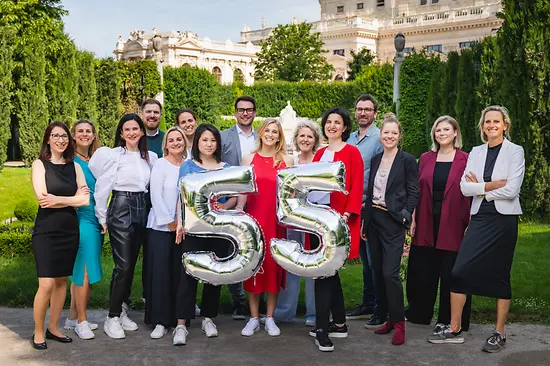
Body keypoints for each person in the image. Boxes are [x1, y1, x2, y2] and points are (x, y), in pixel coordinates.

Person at [428, 106, 525, 353]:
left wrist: (480, 187)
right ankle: (454, 328)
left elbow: (512, 190)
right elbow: (464, 188)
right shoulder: (476, 152)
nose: (491, 125)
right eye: (487, 122)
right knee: (459, 270)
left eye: (496, 121)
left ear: (505, 125)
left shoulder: (516, 151)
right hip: (479, 218)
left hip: (504, 220)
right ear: (482, 127)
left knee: (500, 273)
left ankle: (499, 333)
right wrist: (492, 186)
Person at [89, 113, 158, 340]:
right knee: (124, 265)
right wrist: (102, 217)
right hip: (121, 208)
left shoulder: (150, 157)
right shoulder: (113, 156)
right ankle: (112, 316)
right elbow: (102, 186)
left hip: (143, 208)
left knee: (134, 263)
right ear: (121, 133)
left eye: (135, 128)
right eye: (126, 129)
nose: (131, 133)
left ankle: (123, 309)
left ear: (141, 131)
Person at [172, 124, 238, 345]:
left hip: (219, 230)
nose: (209, 144)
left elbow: (233, 197)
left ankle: (208, 317)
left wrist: (224, 208)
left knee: (214, 274)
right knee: (187, 275)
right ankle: (181, 324)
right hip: (193, 228)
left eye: (213, 140)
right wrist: (180, 223)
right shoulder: (188, 166)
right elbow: (181, 197)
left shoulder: (226, 167)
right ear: (197, 143)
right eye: (204, 140)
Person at [406, 116, 472, 332]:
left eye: (446, 129)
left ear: (455, 133)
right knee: (422, 270)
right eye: (438, 130)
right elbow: (415, 191)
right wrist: (413, 218)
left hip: (454, 222)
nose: (441, 133)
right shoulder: (425, 158)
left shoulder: (466, 159)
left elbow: (472, 193)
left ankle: (450, 319)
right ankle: (419, 314)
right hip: (425, 220)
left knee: (451, 271)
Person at [308, 107, 364, 352]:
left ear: (345, 127)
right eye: (328, 121)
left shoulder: (352, 153)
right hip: (316, 219)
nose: (332, 126)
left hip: (338, 220)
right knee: (329, 273)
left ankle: (322, 330)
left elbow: (357, 185)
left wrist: (347, 215)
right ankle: (339, 323)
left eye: (337, 122)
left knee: (324, 272)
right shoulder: (320, 153)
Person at [30, 122, 90, 350]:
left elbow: (85, 200)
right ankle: (38, 331)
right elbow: (43, 199)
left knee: (62, 281)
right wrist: (70, 199)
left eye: (64, 136)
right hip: (46, 231)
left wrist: (59, 200)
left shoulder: (75, 167)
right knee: (45, 284)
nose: (60, 140)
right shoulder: (39, 165)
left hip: (68, 230)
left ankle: (53, 327)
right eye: (55, 136)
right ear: (47, 139)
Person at [362, 113, 419, 346]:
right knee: (377, 272)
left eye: (394, 133)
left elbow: (414, 191)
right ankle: (387, 317)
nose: (389, 136)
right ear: (381, 135)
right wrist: (366, 222)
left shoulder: (406, 160)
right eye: (386, 132)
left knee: (390, 274)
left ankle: (399, 324)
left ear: (399, 136)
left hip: (393, 221)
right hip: (373, 219)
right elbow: (369, 191)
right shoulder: (376, 159)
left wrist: (406, 216)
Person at [238, 118, 294, 338]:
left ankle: (269, 317)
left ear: (280, 136)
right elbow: (244, 189)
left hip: (276, 221)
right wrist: (240, 213)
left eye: (275, 132)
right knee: (252, 267)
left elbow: (290, 193)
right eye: (267, 131)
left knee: (272, 266)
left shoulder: (286, 160)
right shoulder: (248, 158)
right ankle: (253, 318)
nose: (270, 134)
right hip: (254, 219)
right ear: (260, 133)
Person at [273, 120, 321, 327]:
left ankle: (313, 313)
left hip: (315, 221)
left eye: (309, 136)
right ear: (296, 139)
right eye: (301, 136)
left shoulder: (321, 162)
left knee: (313, 266)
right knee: (290, 263)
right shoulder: (290, 162)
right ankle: (284, 311)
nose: (305, 139)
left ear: (315, 140)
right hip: (292, 221)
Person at [144, 127, 187, 340]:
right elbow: (156, 196)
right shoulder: (160, 164)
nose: (176, 142)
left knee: (179, 275)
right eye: (171, 139)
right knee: (160, 274)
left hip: (185, 229)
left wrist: (182, 225)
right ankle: (160, 321)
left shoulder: (189, 166)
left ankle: (178, 320)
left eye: (179, 139)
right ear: (166, 144)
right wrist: (171, 224)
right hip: (162, 228)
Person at [63, 120, 104, 340]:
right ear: (73, 136)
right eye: (80, 131)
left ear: (94, 135)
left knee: (80, 271)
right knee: (85, 271)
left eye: (88, 131)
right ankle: (81, 321)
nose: (85, 134)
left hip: (97, 218)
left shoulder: (96, 160)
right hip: (80, 218)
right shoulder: (70, 161)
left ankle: (71, 317)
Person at [220, 96, 258, 319]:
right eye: (241, 110)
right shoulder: (224, 137)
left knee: (255, 247)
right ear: (235, 112)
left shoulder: (261, 136)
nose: (245, 113)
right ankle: (238, 301)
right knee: (233, 249)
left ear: (254, 112)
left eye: (249, 110)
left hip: (257, 199)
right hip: (231, 200)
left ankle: (257, 296)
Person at [346, 94, 383, 322]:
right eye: (359, 109)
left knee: (373, 260)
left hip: (371, 207)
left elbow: (382, 173)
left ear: (375, 113)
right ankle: (369, 303)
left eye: (367, 109)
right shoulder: (349, 138)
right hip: (353, 207)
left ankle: (380, 306)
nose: (363, 113)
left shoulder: (380, 138)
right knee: (364, 260)